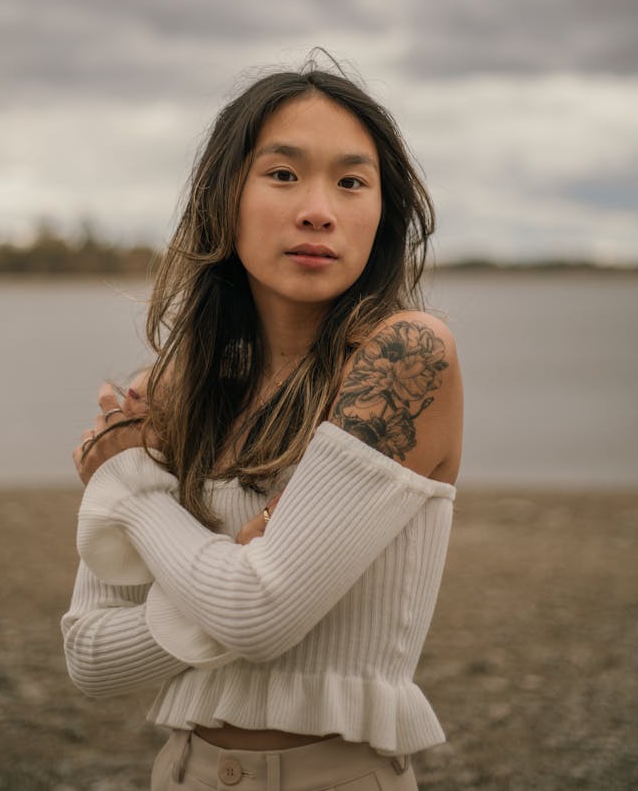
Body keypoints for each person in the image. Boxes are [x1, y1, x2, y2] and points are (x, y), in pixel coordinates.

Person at [62, 59, 463, 791]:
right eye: (283, 174)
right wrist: (218, 582)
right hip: (183, 772)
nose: (319, 209)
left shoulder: (406, 358)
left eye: (351, 181)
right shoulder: (174, 389)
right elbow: (89, 655)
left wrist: (130, 489)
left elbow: (260, 615)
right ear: (226, 197)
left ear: (382, 211)